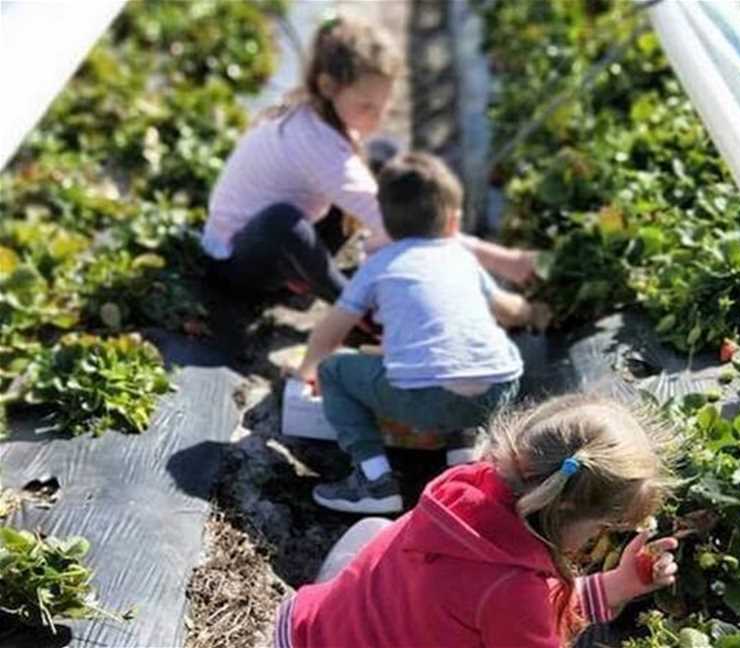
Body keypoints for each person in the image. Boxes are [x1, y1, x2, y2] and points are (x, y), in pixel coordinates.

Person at [273, 393, 680, 648]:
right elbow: (516, 608)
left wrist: (617, 586)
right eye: (600, 530)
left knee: (374, 531)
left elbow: (496, 603)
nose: (595, 542)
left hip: (303, 628)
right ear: (568, 509)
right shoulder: (515, 592)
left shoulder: (463, 487)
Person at [202, 16, 538, 308]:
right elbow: (409, 223)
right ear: (328, 86)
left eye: (384, 107)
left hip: (281, 246)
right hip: (238, 263)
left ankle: (343, 264)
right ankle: (355, 312)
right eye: (366, 107)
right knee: (285, 223)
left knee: (385, 159)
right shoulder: (315, 144)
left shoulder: (318, 111)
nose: (376, 119)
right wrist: (507, 262)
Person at [291, 152, 548, 514]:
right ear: (453, 221)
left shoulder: (380, 264)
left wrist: (305, 374)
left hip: (421, 397)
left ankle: (374, 480)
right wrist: (536, 311)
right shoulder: (460, 256)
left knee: (334, 371)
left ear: (385, 221)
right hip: (498, 390)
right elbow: (509, 309)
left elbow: (330, 332)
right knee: (459, 357)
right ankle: (464, 450)